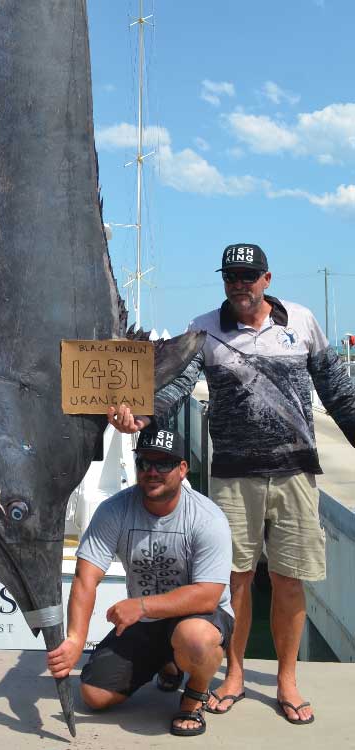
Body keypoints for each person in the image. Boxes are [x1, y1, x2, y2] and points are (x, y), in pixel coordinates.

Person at [107, 243, 355, 725]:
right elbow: (177, 388)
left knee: (289, 580)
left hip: (296, 474)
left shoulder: (300, 321)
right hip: (233, 476)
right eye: (231, 277)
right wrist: (141, 416)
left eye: (249, 276)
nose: (240, 284)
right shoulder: (204, 329)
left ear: (267, 278)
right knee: (233, 581)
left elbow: (338, 390)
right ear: (224, 281)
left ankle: (287, 679)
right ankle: (235, 674)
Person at [47, 427, 234, 738]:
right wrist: (75, 640)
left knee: (195, 638)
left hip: (201, 618)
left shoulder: (207, 518)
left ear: (183, 469)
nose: (152, 472)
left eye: (163, 464)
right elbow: (86, 577)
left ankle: (194, 696)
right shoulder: (114, 510)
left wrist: (142, 605)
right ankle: (169, 663)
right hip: (148, 622)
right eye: (144, 463)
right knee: (94, 695)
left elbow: (208, 596)